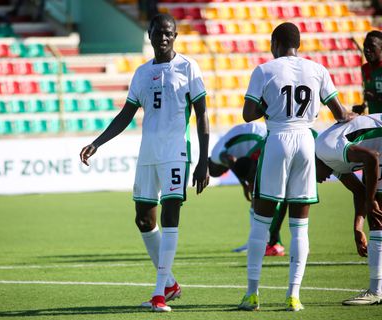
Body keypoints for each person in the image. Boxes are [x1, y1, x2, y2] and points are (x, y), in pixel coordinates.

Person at [79, 14, 210, 312]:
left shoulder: (189, 67)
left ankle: (159, 292)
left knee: (171, 213)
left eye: (168, 33)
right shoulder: (141, 73)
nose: (163, 38)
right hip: (148, 153)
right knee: (143, 219)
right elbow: (126, 114)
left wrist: (204, 159)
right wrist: (97, 143)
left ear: (175, 35)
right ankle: (171, 284)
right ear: (149, 35)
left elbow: (202, 113)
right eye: (157, 33)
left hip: (177, 151)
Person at [239, 22, 354, 312]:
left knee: (260, 222)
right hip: (306, 140)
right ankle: (294, 296)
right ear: (298, 44)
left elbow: (248, 114)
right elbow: (340, 114)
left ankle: (252, 294)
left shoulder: (264, 70)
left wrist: (269, 105)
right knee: (300, 226)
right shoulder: (317, 69)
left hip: (277, 139)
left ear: (276, 42)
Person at [315, 114, 382, 306]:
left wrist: (370, 201)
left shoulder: (325, 149)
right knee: (376, 213)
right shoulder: (328, 161)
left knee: (376, 213)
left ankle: (376, 291)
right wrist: (357, 228)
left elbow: (371, 158)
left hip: (378, 148)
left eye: (311, 177)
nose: (318, 181)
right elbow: (359, 192)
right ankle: (377, 289)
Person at [208, 122, 287, 256]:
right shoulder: (219, 153)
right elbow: (233, 163)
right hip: (262, 134)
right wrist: (244, 183)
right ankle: (261, 241)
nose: (223, 172)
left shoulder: (216, 155)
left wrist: (244, 184)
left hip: (259, 139)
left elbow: (231, 160)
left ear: (212, 164)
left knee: (266, 194)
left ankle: (270, 243)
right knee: (263, 194)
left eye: (220, 171)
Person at [353, 31, 382, 115]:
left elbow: (374, 95)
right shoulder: (365, 68)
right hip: (374, 121)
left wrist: (376, 97)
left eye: (372, 46)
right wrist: (362, 106)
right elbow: (369, 96)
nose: (367, 50)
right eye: (365, 46)